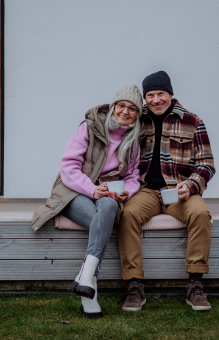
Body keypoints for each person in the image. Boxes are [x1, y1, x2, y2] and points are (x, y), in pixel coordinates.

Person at [31, 85, 143, 319]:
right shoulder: (89, 128)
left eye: (132, 108)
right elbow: (68, 167)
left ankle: (86, 280)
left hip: (109, 194)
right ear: (113, 106)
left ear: (137, 114)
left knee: (110, 208)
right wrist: (93, 190)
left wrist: (126, 193)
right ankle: (88, 286)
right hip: (75, 191)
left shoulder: (133, 140)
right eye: (122, 105)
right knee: (100, 223)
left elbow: (133, 177)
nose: (125, 111)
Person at [118, 71, 216, 312]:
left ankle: (195, 285)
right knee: (126, 215)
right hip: (145, 191)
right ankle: (134, 285)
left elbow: (206, 164)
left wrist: (191, 185)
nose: (155, 100)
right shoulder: (136, 120)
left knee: (201, 215)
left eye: (161, 93)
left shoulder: (192, 121)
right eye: (150, 95)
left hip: (179, 190)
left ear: (170, 94)